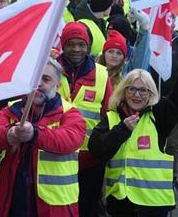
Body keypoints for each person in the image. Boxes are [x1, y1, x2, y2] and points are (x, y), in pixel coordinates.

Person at [88, 46, 178, 217]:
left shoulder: (159, 116)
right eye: (132, 89)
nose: (137, 95)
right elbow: (96, 150)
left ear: (150, 94)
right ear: (123, 92)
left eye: (143, 90)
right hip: (121, 204)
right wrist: (122, 129)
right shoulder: (112, 118)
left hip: (153, 205)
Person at [0, 59, 86, 217]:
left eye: (45, 79)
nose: (38, 83)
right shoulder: (13, 108)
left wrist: (35, 134)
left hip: (53, 204)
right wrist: (9, 134)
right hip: (11, 199)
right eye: (35, 78)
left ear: (58, 85)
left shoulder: (70, 113)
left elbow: (71, 139)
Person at [57, 22, 113, 217]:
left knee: (87, 208)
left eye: (81, 44)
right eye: (71, 44)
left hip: (89, 159)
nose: (76, 49)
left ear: (88, 46)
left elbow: (108, 114)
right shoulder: (49, 70)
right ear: (63, 45)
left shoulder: (101, 74)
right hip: (56, 157)